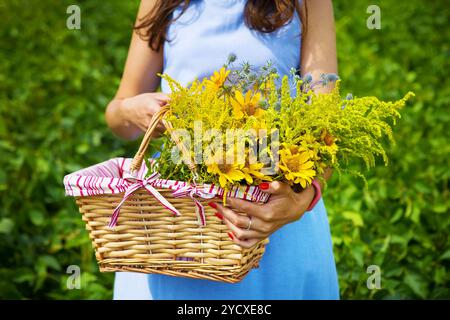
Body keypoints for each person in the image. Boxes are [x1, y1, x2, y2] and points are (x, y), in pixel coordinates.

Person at [105, 0, 339, 300]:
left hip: (275, 213)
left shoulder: (307, 3)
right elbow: (118, 116)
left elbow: (326, 127)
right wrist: (130, 110)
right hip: (179, 224)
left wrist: (303, 199)